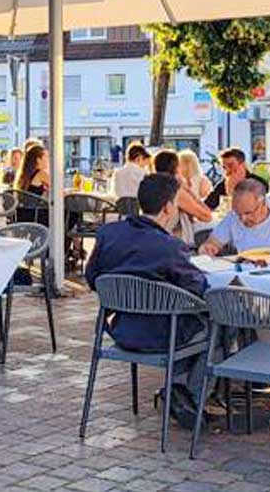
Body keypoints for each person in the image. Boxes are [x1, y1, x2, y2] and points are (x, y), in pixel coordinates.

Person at [85, 173, 211, 428]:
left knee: (190, 322)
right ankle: (188, 398)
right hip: (162, 334)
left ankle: (177, 391)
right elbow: (198, 290)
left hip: (121, 330)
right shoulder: (169, 246)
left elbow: (92, 277)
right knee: (217, 327)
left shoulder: (109, 234)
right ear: (168, 207)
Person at [199, 179, 270, 261]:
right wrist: (208, 247)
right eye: (239, 213)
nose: (243, 219)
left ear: (262, 203)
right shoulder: (233, 216)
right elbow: (213, 242)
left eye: (248, 213)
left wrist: (255, 261)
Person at [152, 150, 213, 245]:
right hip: (176, 243)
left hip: (157, 238)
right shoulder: (175, 191)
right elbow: (206, 216)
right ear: (176, 168)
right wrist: (187, 189)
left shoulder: (152, 185)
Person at [203, 147, 268, 210]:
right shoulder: (221, 186)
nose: (227, 171)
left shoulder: (259, 183)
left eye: (231, 165)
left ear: (242, 165)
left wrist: (231, 191)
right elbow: (207, 206)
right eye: (224, 168)